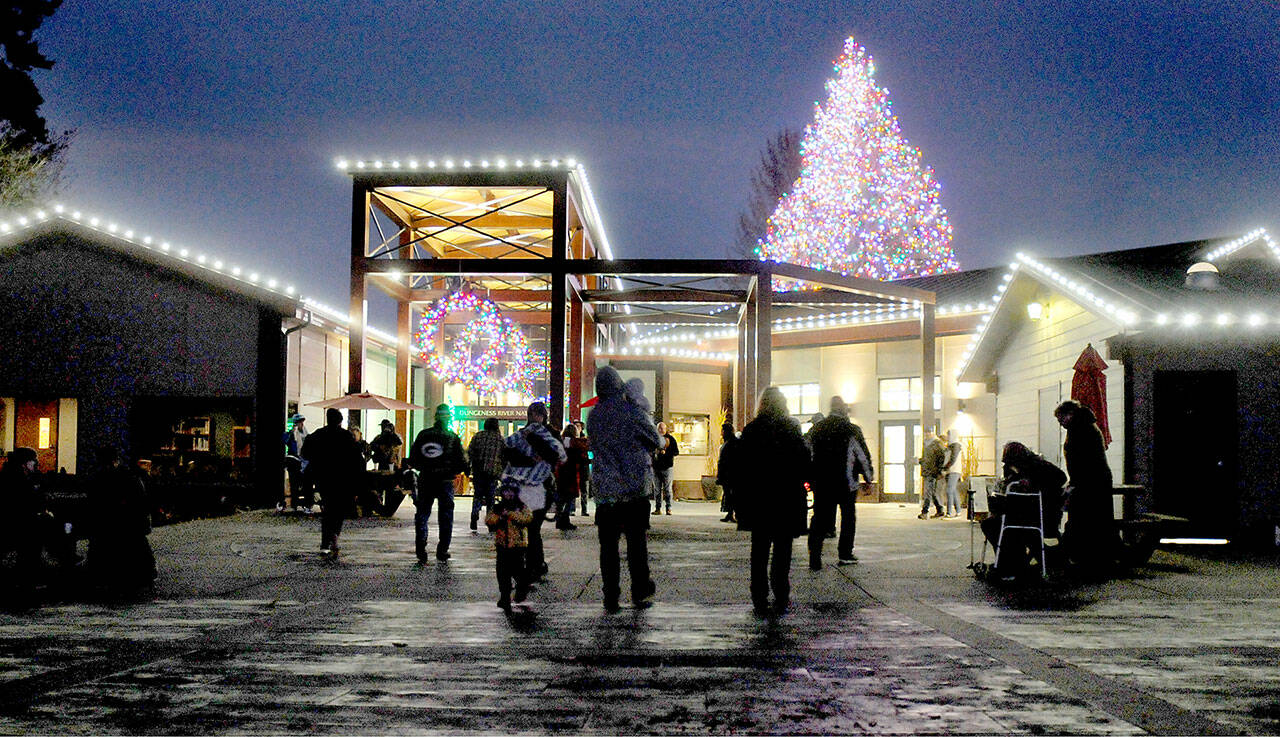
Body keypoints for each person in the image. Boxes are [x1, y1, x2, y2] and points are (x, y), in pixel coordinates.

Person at [588, 366, 662, 611]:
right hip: (633, 490)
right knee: (636, 544)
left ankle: (611, 594)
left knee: (608, 546)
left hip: (606, 492)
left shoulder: (594, 416)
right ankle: (639, 589)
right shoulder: (632, 412)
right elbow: (656, 440)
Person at [736, 387, 811, 616]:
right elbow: (803, 461)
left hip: (759, 499)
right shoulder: (791, 428)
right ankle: (781, 591)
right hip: (786, 497)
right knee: (783, 548)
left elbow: (742, 467)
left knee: (759, 549)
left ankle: (758, 594)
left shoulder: (752, 430)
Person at [501, 402, 566, 584]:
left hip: (535, 485)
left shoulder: (532, 434)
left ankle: (533, 564)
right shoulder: (536, 434)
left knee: (531, 527)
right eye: (533, 414)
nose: (535, 418)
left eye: (537, 414)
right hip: (531, 485)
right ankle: (533, 564)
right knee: (530, 527)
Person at [981, 441, 1067, 578]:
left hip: (1039, 515)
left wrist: (1032, 484)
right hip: (1028, 513)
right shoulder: (1019, 469)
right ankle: (1011, 562)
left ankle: (1010, 564)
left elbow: (1060, 477)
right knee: (995, 523)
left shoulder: (1038, 466)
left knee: (995, 525)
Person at [807, 396, 874, 569]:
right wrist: (868, 478)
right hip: (846, 482)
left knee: (820, 517)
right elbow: (862, 456)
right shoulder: (852, 430)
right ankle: (845, 553)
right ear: (844, 409)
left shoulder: (817, 429)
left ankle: (815, 556)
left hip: (821, 482)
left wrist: (807, 477)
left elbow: (806, 453)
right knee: (848, 517)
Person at [1, 447, 77, 594]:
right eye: (33, 460)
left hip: (17, 522)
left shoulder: (19, 477)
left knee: (43, 524)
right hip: (14, 524)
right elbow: (24, 505)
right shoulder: (16, 480)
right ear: (24, 463)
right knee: (42, 526)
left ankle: (62, 555)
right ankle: (63, 556)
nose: (36, 463)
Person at [1055, 399, 1118, 574]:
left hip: (1090, 482)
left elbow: (1083, 461)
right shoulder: (1085, 427)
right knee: (1094, 519)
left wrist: (1074, 483)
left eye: (1061, 419)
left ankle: (1084, 557)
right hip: (1095, 480)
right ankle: (1092, 556)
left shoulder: (1081, 431)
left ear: (1070, 414)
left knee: (1085, 518)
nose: (1061, 424)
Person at [86, 448, 156, 595]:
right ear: (116, 460)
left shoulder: (96, 477)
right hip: (130, 525)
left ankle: (101, 577)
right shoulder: (130, 476)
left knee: (99, 545)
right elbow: (141, 501)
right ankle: (141, 576)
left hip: (106, 525)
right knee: (137, 546)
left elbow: (93, 503)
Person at [409, 404, 468, 562]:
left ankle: (421, 546)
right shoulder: (452, 437)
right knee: (446, 516)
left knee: (422, 513)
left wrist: (424, 467)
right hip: (445, 481)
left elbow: (414, 458)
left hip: (426, 479)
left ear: (435, 417)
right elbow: (462, 462)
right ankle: (442, 550)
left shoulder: (423, 435)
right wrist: (454, 471)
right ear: (448, 418)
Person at [301, 408, 363, 558]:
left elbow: (305, 453)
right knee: (339, 510)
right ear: (340, 421)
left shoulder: (317, 435)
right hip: (342, 479)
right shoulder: (346, 436)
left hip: (323, 478)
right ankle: (334, 535)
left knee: (328, 510)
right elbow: (357, 459)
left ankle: (325, 543)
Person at [486, 480, 534, 609]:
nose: (508, 494)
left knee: (518, 571)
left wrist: (511, 515)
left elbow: (527, 518)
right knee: (502, 573)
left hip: (518, 546)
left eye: (511, 492)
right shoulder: (498, 507)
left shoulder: (521, 506)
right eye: (506, 491)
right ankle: (505, 596)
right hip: (502, 546)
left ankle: (521, 588)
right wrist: (499, 518)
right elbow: (489, 520)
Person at [467, 418, 505, 533]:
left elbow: (470, 452)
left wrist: (470, 466)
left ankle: (474, 516)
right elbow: (504, 457)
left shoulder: (478, 436)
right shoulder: (500, 439)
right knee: (490, 499)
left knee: (477, 496)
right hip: (492, 473)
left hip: (478, 472)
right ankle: (490, 523)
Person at [555, 423, 585, 530]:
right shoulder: (575, 443)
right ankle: (565, 519)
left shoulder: (560, 441)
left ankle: (559, 519)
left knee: (561, 497)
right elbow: (581, 457)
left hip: (561, 473)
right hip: (571, 473)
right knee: (569, 498)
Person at [281, 413, 310, 511]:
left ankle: (305, 503)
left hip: (305, 461)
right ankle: (295, 504)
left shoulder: (306, 434)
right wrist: (291, 433)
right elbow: (285, 440)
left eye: (302, 422)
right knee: (294, 483)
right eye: (299, 422)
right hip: (293, 461)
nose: (301, 424)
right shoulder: (291, 434)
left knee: (305, 482)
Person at [917, 430, 947, 519]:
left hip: (932, 471)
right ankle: (940, 509)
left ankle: (924, 512)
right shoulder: (926, 444)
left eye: (928, 433)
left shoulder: (937, 444)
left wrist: (939, 470)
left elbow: (941, 457)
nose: (926, 435)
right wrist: (921, 461)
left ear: (932, 433)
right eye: (925, 433)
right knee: (932, 492)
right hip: (926, 471)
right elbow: (927, 458)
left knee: (928, 492)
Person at [652, 422, 679, 515]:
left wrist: (666, 453)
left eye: (662, 428)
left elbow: (676, 452)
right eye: (659, 428)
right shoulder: (653, 439)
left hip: (667, 468)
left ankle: (669, 508)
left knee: (667, 489)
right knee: (657, 489)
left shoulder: (671, 439)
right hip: (655, 468)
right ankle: (657, 508)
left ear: (665, 429)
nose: (660, 430)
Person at [716, 422, 740, 523]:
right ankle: (730, 513)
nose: (721, 432)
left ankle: (734, 514)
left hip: (730, 473)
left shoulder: (732, 443)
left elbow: (728, 460)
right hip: (727, 473)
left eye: (722, 430)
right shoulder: (730, 442)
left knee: (732, 494)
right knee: (728, 494)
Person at [573, 421, 592, 517]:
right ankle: (572, 509)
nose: (577, 428)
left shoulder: (585, 440)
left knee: (584, 489)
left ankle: (584, 509)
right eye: (575, 426)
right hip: (575, 467)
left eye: (578, 426)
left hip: (583, 467)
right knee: (573, 488)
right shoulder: (572, 440)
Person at [943, 431, 965, 518]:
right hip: (950, 471)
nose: (947, 436)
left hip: (954, 471)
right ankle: (958, 511)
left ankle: (949, 512)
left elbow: (953, 459)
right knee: (953, 490)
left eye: (948, 435)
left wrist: (945, 468)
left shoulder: (956, 446)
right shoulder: (950, 446)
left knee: (949, 490)